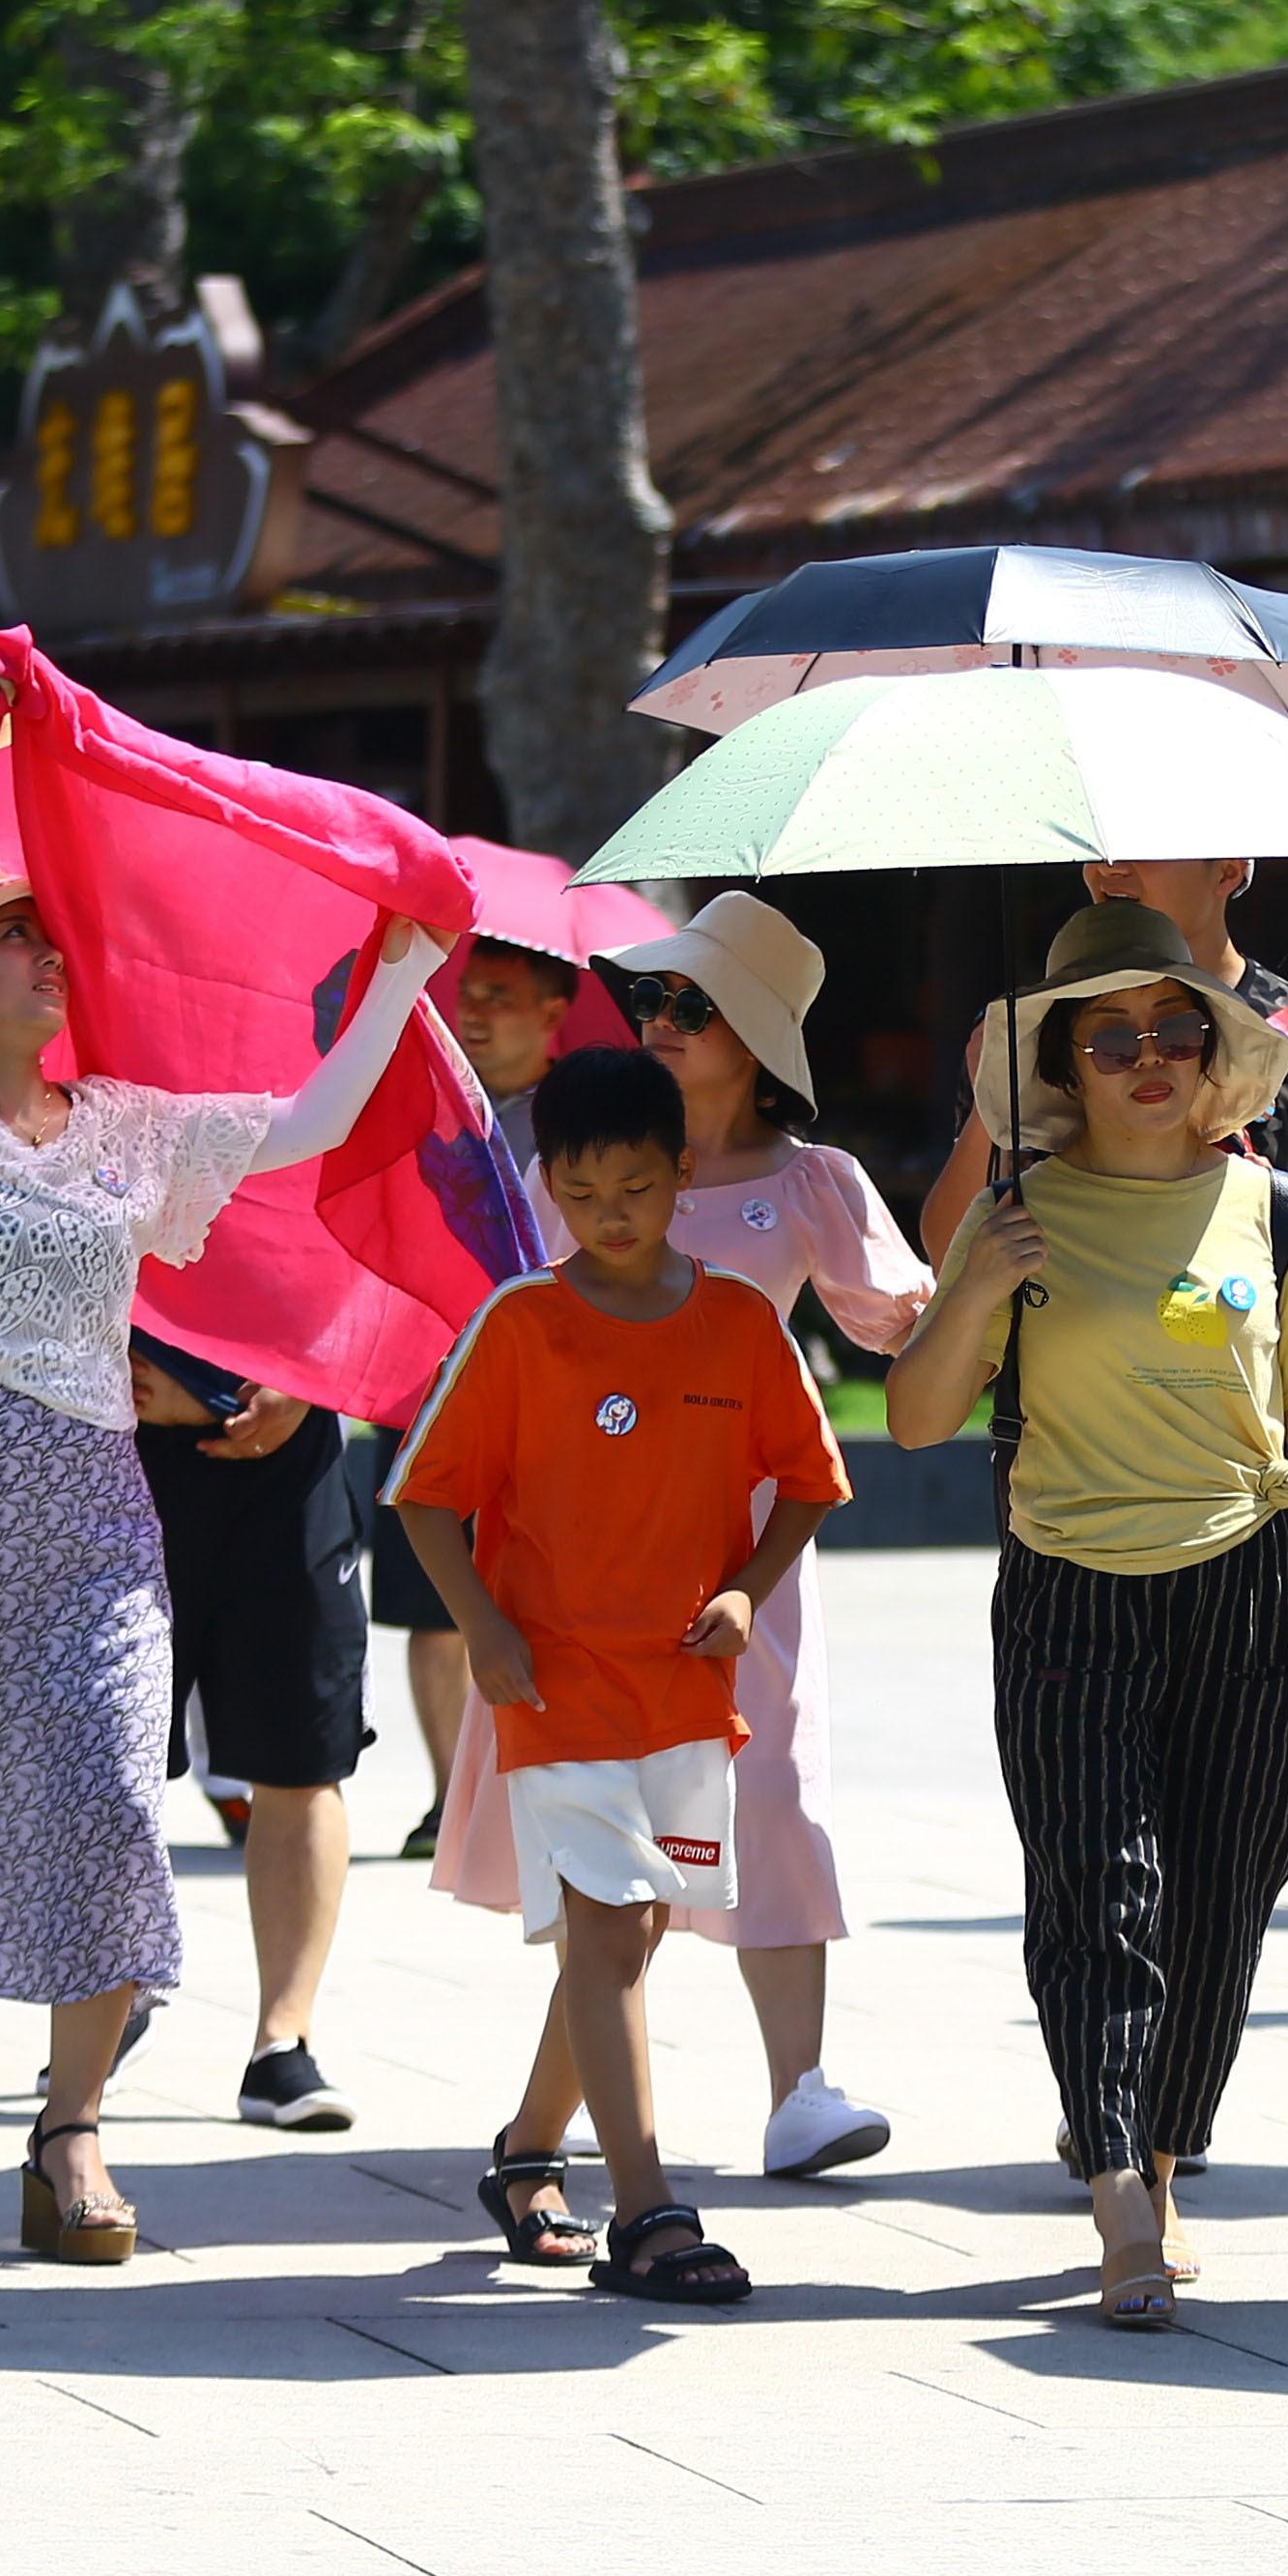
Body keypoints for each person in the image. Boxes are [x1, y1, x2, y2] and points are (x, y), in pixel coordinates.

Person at [0, 666, 445, 2262]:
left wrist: (402, 968)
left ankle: (69, 2130)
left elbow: (299, 1128)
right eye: (8, 931)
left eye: (39, 927)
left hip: (92, 1511)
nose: (43, 944)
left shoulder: (129, 1125)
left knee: (104, 1804)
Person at [880, 901, 1288, 2333]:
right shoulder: (1018, 1217)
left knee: (1230, 1891)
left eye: (1174, 1032)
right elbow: (921, 1422)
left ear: (1215, 1049)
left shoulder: (1277, 1208)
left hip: (1245, 1584)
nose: (1147, 1058)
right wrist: (973, 1283)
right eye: (1110, 1039)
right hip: (1066, 1584)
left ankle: (1164, 2149)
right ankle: (1116, 2177)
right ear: (1063, 1063)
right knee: (1096, 1892)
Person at [435, 890, 929, 2175]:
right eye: (651, 996)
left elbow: (901, 1329)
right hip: (591, 1527)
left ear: (758, 1038)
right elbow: (512, 1320)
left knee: (770, 1782)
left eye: (692, 1004)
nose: (659, 1018)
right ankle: (560, 2125)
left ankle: (800, 2088)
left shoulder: (815, 1181)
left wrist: (984, 1239)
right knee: (609, 1827)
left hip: (748, 1532)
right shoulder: (586, 1164)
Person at [394, 1044, 855, 2304]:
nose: (612, 1217)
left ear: (682, 1176)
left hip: (686, 1690)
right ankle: (648, 2211)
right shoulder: (523, 1324)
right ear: (550, 1187)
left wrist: (742, 1592)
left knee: (632, 1933)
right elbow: (425, 1500)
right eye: (586, 1194)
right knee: (607, 1928)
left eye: (638, 1192)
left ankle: (528, 2151)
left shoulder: (739, 1322)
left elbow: (812, 1481)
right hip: (555, 1686)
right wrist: (485, 1631)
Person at [922, 855, 1288, 1325]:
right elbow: (952, 1258)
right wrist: (993, 1104)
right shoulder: (1029, 1032)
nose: (1108, 869)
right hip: (1070, 1390)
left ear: (1229, 869)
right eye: (1098, 850)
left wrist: (1248, 1215)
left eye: (1145, 848)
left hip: (1251, 1393)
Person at [138, 1339, 363, 2126]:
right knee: (107, 1763)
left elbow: (364, 1268)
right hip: (118, 1448)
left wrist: (305, 1378)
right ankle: (101, 1997)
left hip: (291, 1456)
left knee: (303, 1760)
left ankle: (283, 2042)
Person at [395, 937, 587, 1852]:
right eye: (467, 992)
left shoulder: (581, 1115)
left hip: (548, 1386)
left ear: (554, 1010)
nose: (475, 1010)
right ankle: (448, 1798)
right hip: (435, 1377)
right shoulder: (440, 1107)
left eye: (501, 995)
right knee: (432, 1597)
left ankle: (531, 1777)